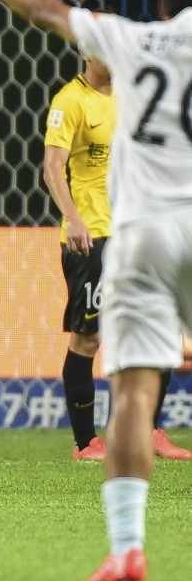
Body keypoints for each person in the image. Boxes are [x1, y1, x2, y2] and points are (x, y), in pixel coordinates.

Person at [0, 0, 192, 581]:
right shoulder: (77, 96)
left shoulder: (135, 40)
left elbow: (44, 7)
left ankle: (128, 548)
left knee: (134, 389)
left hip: (144, 235)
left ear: (162, 5)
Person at [43, 51, 192, 462]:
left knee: (158, 328)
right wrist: (72, 218)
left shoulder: (132, 96)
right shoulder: (69, 101)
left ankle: (150, 431)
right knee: (88, 337)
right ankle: (85, 442)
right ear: (85, 51)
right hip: (90, 236)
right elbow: (52, 167)